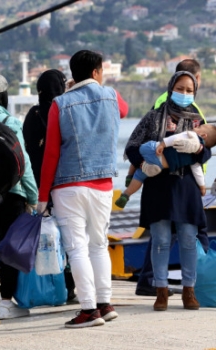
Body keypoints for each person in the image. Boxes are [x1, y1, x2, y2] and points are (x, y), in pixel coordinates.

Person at [37, 50, 128, 328]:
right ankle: (105, 303)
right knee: (99, 245)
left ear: (72, 75)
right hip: (103, 185)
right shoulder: (112, 96)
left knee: (77, 249)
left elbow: (50, 153)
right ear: (98, 72)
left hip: (68, 186)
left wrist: (42, 197)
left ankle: (88, 310)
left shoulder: (60, 104)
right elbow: (123, 110)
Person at [125, 71, 209, 312]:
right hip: (158, 186)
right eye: (180, 88)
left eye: (189, 90)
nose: (184, 94)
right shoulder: (153, 117)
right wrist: (144, 166)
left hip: (187, 186)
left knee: (188, 240)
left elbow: (205, 151)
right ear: (171, 88)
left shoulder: (196, 119)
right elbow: (132, 146)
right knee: (160, 240)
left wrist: (195, 150)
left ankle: (188, 291)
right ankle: (161, 291)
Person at [0, 73, 38, 320]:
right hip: (13, 194)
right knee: (10, 249)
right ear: (4, 97)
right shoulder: (10, 122)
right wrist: (33, 195)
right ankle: (5, 302)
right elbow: (23, 163)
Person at [21, 69, 76, 302]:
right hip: (66, 182)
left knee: (49, 239)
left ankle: (52, 285)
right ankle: (71, 287)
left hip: (39, 183)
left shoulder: (32, 115)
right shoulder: (65, 111)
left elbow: (28, 151)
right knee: (70, 238)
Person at [117, 125, 216, 208]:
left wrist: (162, 145)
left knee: (139, 151)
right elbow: (197, 171)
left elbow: (174, 138)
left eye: (199, 127)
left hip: (154, 151)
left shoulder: (191, 135)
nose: (196, 126)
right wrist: (202, 186)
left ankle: (129, 179)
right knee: (140, 175)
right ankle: (127, 194)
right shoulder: (196, 157)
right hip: (161, 165)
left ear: (203, 135)